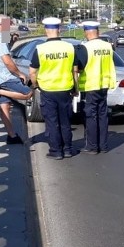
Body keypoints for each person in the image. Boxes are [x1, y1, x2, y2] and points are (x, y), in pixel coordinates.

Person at [29, 17, 79, 160]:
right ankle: (68, 149)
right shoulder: (70, 48)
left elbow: (32, 72)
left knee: (52, 121)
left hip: (48, 90)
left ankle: (56, 151)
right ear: (59, 30)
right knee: (65, 121)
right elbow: (75, 71)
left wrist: (36, 85)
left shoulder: (40, 49)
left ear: (46, 30)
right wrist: (75, 88)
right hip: (65, 89)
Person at [0, 18, 33, 144]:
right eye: (8, 25)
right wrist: (19, 73)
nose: (10, 27)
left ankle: (12, 136)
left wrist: (13, 40)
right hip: (3, 77)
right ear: (1, 24)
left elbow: (6, 48)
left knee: (5, 106)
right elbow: (7, 60)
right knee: (27, 93)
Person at [75, 20, 116, 154]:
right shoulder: (107, 46)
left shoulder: (85, 48)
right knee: (103, 115)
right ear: (97, 32)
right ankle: (103, 146)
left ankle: (92, 146)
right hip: (104, 85)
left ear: (86, 32)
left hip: (90, 85)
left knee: (91, 116)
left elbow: (79, 68)